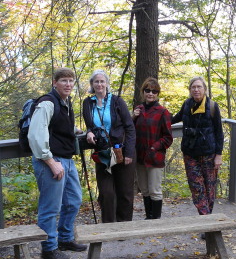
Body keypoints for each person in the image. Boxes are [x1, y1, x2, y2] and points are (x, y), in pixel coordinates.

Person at [28, 67, 87, 259]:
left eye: (71, 81)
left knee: (73, 201)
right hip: (51, 161)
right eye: (64, 81)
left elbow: (59, 125)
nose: (68, 84)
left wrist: (79, 131)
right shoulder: (47, 103)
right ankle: (49, 248)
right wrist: (51, 162)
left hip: (66, 159)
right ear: (55, 82)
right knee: (50, 207)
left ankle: (64, 238)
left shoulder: (64, 103)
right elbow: (36, 135)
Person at [82, 70, 136, 223]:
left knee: (124, 191)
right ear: (92, 84)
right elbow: (89, 124)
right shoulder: (88, 103)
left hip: (122, 150)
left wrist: (129, 153)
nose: (99, 84)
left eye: (102, 81)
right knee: (106, 192)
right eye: (96, 82)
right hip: (103, 153)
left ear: (106, 83)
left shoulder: (117, 101)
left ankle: (123, 226)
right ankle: (108, 226)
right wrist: (89, 132)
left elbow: (130, 128)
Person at [171, 76, 224, 218]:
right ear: (190, 90)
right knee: (196, 187)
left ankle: (207, 220)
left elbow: (219, 132)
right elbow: (174, 119)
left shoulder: (212, 106)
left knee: (209, 187)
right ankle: (206, 219)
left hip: (209, 154)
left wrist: (218, 155)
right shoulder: (187, 104)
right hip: (190, 153)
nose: (196, 90)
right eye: (193, 87)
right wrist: (157, 114)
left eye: (199, 87)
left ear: (205, 89)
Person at [133, 77, 173, 219]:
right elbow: (130, 131)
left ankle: (155, 220)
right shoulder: (139, 110)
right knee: (144, 189)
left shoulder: (163, 112)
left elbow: (168, 138)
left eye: (154, 91)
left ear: (158, 94)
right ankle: (148, 217)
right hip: (140, 156)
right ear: (143, 92)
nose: (150, 93)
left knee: (155, 190)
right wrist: (133, 117)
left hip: (155, 157)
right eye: (147, 90)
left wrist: (154, 147)